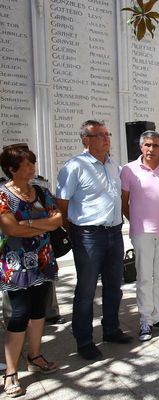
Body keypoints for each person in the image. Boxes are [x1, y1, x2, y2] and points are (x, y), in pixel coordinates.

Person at [56, 120, 133, 361]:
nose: (106, 138)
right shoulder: (74, 167)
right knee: (87, 290)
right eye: (98, 135)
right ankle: (85, 340)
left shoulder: (113, 165)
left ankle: (111, 329)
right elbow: (62, 204)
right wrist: (74, 231)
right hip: (88, 235)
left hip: (113, 232)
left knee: (113, 286)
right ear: (85, 140)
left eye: (107, 133)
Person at [0, 146, 61, 397]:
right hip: (16, 265)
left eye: (33, 162)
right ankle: (10, 373)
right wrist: (39, 227)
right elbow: (9, 229)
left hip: (43, 260)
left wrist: (27, 223)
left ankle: (35, 356)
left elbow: (56, 220)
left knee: (39, 311)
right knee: (19, 315)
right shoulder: (2, 195)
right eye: (27, 164)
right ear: (12, 169)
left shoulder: (42, 192)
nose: (32, 167)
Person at [121, 131, 159, 341]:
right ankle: (145, 319)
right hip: (142, 232)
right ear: (141, 147)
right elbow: (124, 200)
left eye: (155, 145)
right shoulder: (128, 170)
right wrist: (136, 220)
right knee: (144, 276)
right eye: (147, 145)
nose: (151, 149)